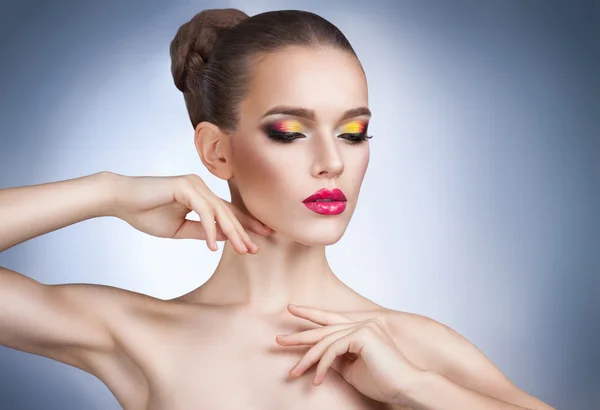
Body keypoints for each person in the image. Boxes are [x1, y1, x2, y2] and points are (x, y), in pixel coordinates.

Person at [0, 8, 555, 410]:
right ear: (217, 152)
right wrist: (109, 192)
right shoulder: (137, 333)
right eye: (290, 131)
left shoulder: (408, 347)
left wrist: (415, 388)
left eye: (353, 132)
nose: (331, 161)